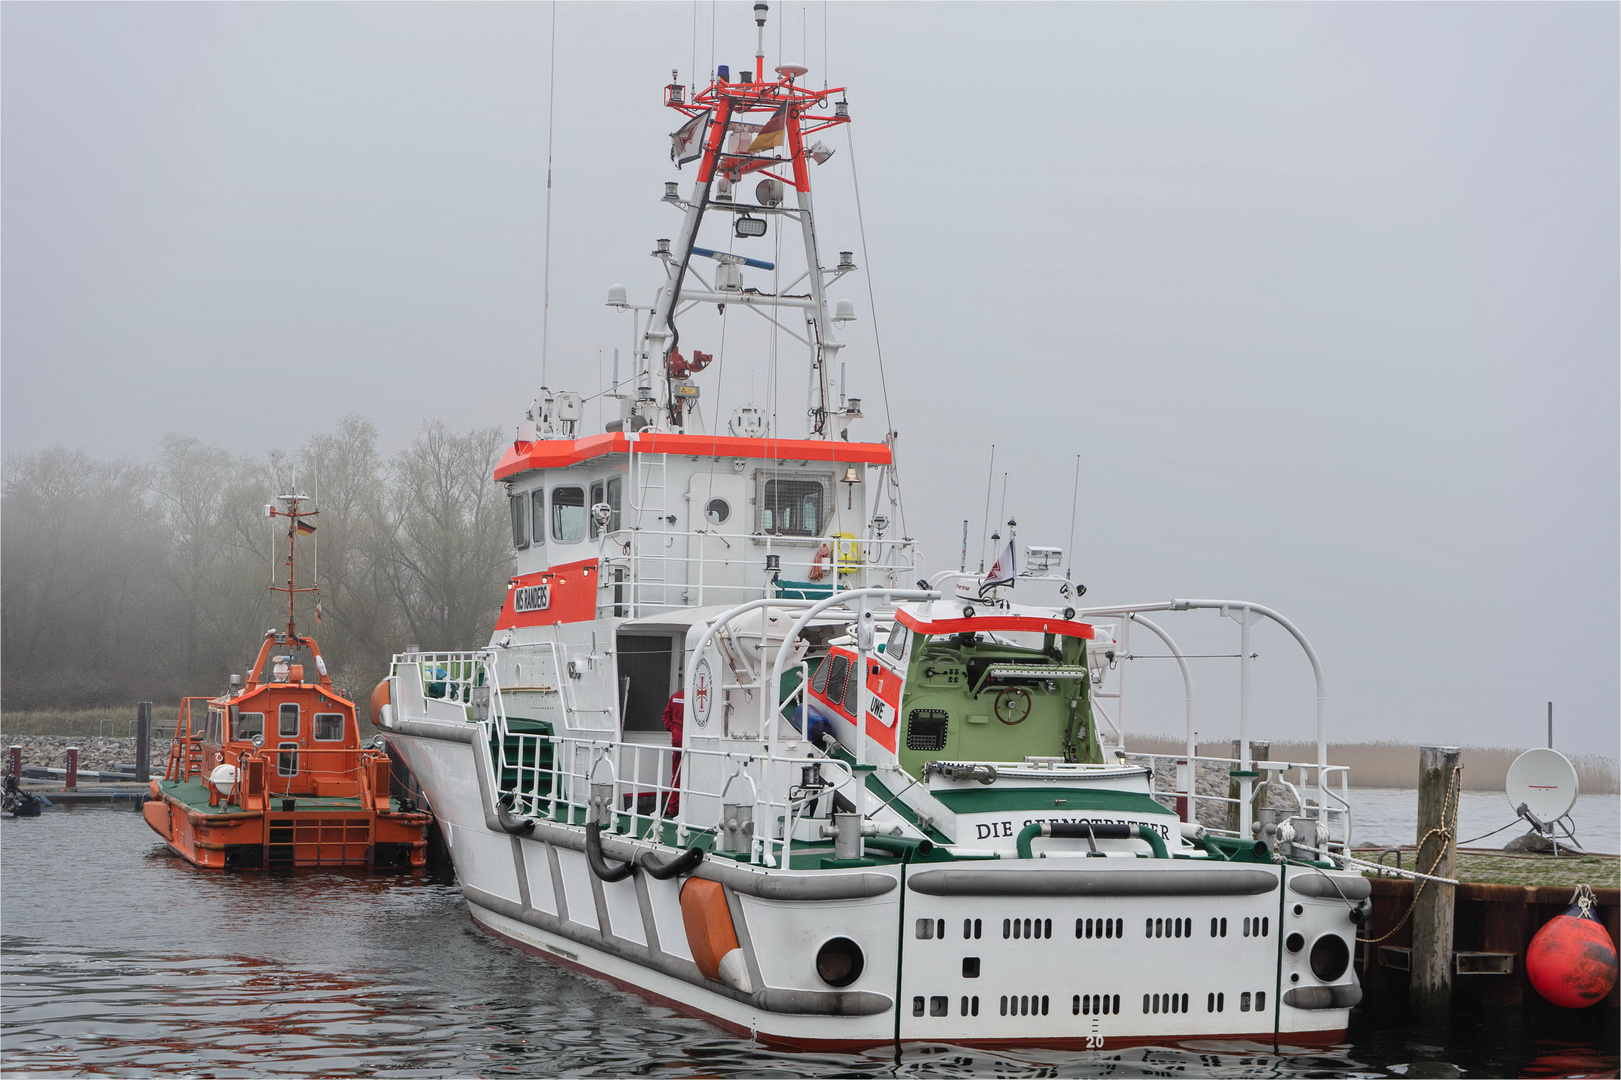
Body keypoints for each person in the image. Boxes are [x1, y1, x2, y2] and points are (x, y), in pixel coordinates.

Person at [660, 688, 684, 815]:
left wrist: (674, 730)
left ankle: (674, 808)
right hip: (692, 739)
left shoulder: (675, 696)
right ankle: (678, 808)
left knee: (677, 775)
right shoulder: (697, 698)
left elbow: (666, 717)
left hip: (677, 739)